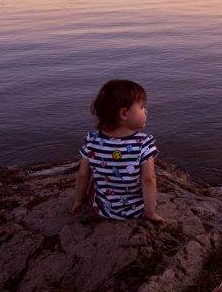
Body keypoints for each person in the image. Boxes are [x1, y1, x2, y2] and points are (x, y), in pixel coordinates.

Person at [70, 79, 163, 222]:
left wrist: (78, 200)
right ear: (124, 114)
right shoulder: (144, 144)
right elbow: (149, 180)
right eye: (142, 107)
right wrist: (150, 212)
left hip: (102, 210)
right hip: (135, 211)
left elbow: (83, 175)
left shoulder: (92, 141)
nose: (146, 110)